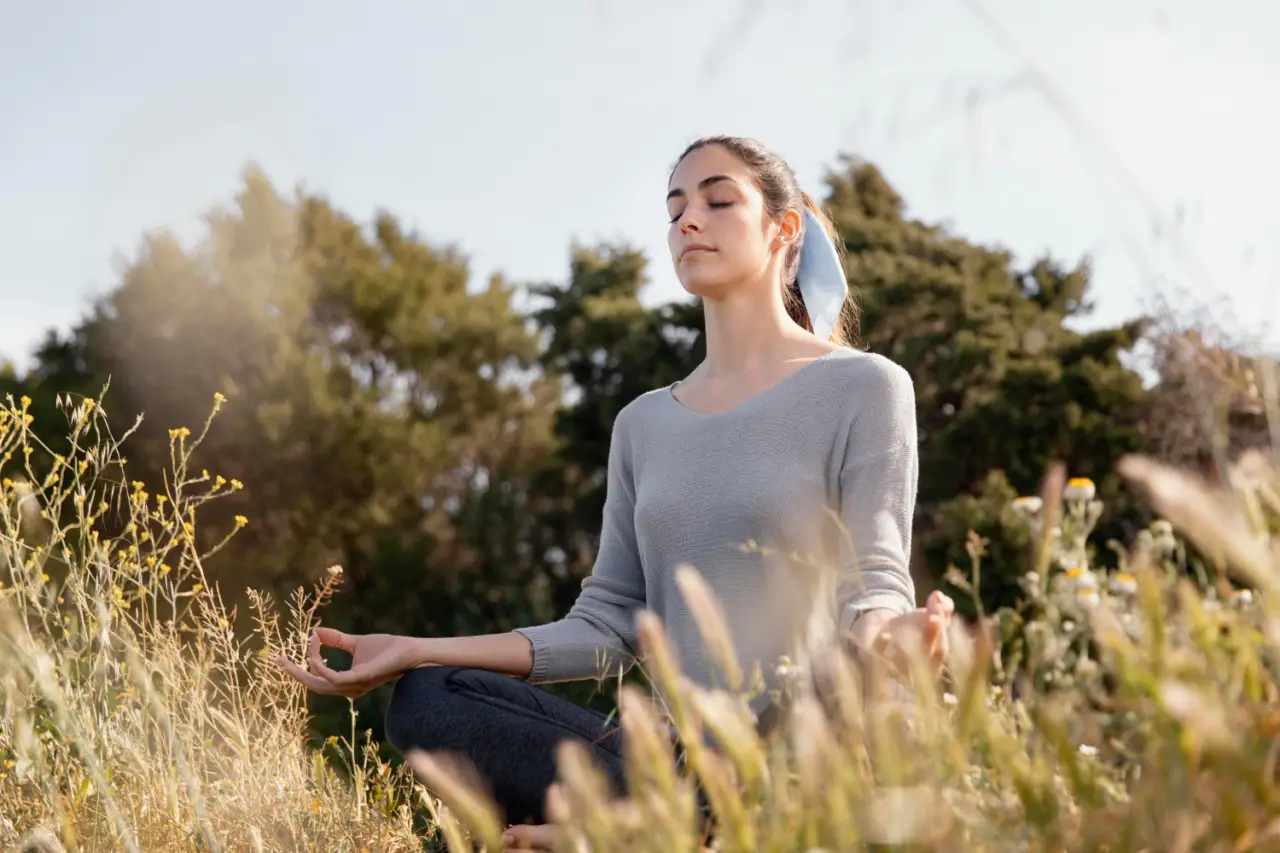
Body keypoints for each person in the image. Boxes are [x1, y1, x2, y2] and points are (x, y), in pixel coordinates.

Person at [278, 135, 955, 850]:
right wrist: (414, 650)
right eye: (676, 209)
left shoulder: (864, 386)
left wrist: (892, 636)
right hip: (665, 764)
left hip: (795, 744)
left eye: (719, 200)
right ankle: (662, 823)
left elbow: (874, 577)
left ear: (783, 229)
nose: (689, 220)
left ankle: (648, 829)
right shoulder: (643, 423)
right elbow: (607, 624)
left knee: (838, 672)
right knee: (432, 696)